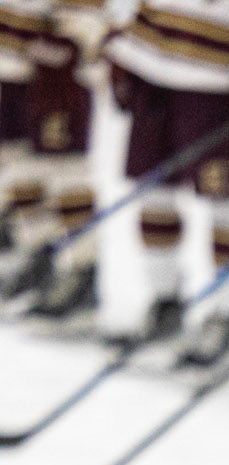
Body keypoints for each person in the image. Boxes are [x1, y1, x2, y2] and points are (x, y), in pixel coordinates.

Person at [104, 0, 229, 366]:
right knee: (153, 192)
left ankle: (225, 316)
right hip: (150, 56)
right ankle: (164, 302)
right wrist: (124, 35)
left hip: (218, 75)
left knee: (226, 202)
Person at [0, 0, 102, 327]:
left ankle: (84, 271)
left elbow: (86, 18)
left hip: (55, 73)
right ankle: (38, 258)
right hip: (9, 64)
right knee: (17, 168)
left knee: (65, 173)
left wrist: (71, 41)